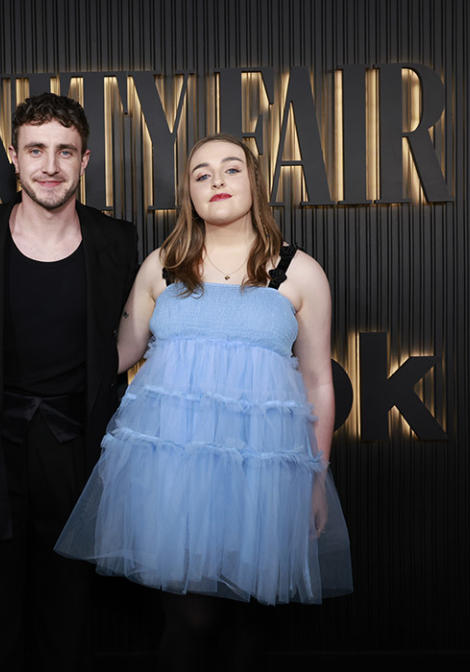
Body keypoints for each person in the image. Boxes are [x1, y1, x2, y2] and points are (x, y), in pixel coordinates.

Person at [55, 134, 352, 669]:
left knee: (249, 620)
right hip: (173, 470)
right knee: (189, 621)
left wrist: (316, 478)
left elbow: (319, 382)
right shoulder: (161, 266)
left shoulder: (300, 272)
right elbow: (118, 354)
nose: (217, 180)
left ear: (254, 182)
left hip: (262, 475)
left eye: (231, 169)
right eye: (201, 173)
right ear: (188, 193)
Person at [0, 92, 138, 671]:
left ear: (86, 160)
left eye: (65, 151)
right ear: (12, 155)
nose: (50, 165)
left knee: (69, 603)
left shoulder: (117, 242)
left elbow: (135, 342)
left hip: (75, 444)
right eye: (36, 149)